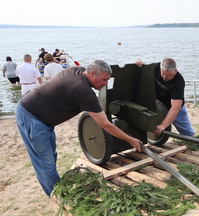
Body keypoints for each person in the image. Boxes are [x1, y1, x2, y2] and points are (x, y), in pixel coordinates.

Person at [15, 59, 142, 197]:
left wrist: (136, 66)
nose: (105, 84)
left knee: (51, 156)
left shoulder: (78, 70)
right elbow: (105, 124)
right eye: (104, 80)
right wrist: (131, 140)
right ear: (92, 73)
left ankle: (56, 188)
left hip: (44, 118)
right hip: (32, 117)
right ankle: (59, 198)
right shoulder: (84, 92)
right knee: (45, 163)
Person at [135, 58, 195, 136]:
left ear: (175, 71)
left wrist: (163, 126)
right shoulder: (154, 68)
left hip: (173, 107)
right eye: (163, 73)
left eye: (169, 75)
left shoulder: (179, 82)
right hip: (157, 104)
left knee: (188, 134)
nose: (164, 77)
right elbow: (142, 70)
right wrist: (139, 64)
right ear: (161, 68)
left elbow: (176, 107)